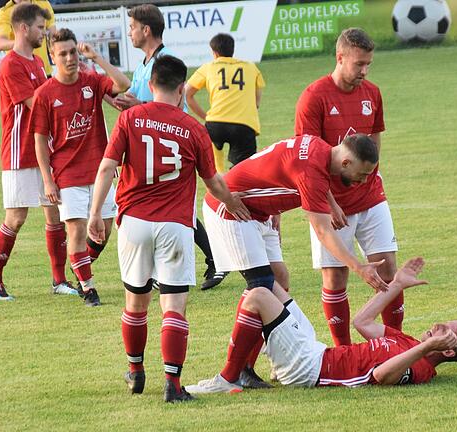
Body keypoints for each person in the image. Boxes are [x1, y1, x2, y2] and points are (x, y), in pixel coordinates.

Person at [87, 55, 249, 402]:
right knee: (173, 306)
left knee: (135, 303)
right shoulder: (193, 129)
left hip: (133, 223)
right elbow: (213, 183)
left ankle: (135, 369)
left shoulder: (130, 118)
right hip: (175, 225)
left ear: (153, 84)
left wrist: (94, 214)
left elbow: (105, 169)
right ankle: (173, 385)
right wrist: (233, 203)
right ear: (180, 89)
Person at [202, 133, 390, 387]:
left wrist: (331, 204)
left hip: (262, 212)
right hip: (232, 209)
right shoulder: (311, 172)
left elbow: (290, 170)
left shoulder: (321, 148)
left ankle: (249, 365)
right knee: (261, 285)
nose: (364, 180)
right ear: (346, 162)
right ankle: (232, 374)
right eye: (363, 173)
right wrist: (359, 267)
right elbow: (323, 231)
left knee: (279, 279)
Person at [186, 257, 457, 394]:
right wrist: (395, 285)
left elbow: (381, 376)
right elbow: (362, 322)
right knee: (268, 283)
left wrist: (426, 348)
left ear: (450, 352)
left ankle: (229, 377)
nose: (437, 325)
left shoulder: (421, 368)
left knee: (259, 296)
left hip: (310, 369)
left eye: (445, 330)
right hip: (316, 352)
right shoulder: (410, 343)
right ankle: (246, 373)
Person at [295, 28, 400, 347]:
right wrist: (328, 202)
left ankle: (394, 343)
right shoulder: (314, 97)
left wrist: (371, 173)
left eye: (369, 64)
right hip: (331, 204)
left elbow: (375, 138)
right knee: (335, 277)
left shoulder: (372, 93)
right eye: (359, 64)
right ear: (340, 58)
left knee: (389, 270)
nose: (364, 71)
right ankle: (343, 350)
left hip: (371, 197)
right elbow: (306, 158)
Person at [115, 3, 225, 291]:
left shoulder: (166, 63)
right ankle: (212, 260)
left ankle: (216, 261)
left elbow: (179, 106)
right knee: (173, 212)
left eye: (132, 27)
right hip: (149, 139)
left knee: (177, 210)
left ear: (146, 29)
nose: (130, 33)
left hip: (173, 141)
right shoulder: (144, 65)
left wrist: (137, 107)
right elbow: (139, 103)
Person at [31, 29, 131, 307]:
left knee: (104, 231)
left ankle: (80, 267)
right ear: (52, 55)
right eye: (63, 53)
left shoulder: (91, 81)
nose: (70, 58)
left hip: (101, 172)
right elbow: (39, 140)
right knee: (76, 230)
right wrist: (48, 180)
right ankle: (88, 288)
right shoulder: (44, 94)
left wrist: (97, 57)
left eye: (73, 51)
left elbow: (122, 84)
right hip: (68, 175)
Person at [0, 2, 69, 301]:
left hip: (41, 150)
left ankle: (59, 280)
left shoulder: (36, 62)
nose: (44, 33)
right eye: (40, 28)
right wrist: (67, 105)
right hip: (19, 151)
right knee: (16, 217)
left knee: (54, 213)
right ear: (23, 28)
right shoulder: (10, 64)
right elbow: (37, 105)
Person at [185, 33, 266, 173]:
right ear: (233, 50)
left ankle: (218, 190)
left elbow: (187, 94)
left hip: (215, 125)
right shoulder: (251, 68)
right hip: (244, 125)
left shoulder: (208, 67)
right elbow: (257, 102)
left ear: (214, 52)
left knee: (215, 171)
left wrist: (205, 117)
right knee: (244, 170)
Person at [0, 0, 56, 76]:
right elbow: (0, 43)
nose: (43, 32)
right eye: (40, 27)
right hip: (20, 70)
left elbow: (53, 35)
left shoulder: (43, 3)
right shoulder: (5, 12)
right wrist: (24, 42)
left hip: (43, 70)